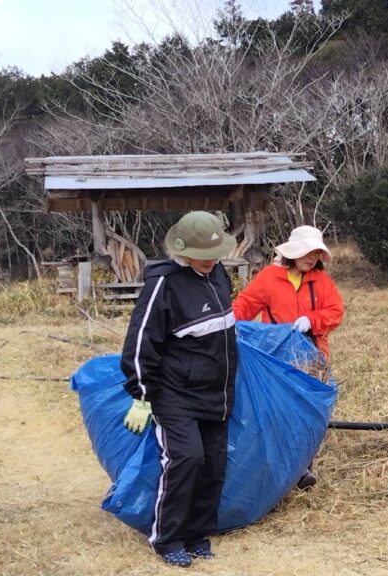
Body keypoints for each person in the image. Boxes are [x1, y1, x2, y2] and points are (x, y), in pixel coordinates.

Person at [120, 211, 238, 568]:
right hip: (175, 394)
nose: (210, 261)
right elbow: (140, 341)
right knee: (186, 458)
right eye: (202, 256)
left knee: (213, 464)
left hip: (217, 392)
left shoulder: (219, 274)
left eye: (214, 254)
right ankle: (168, 538)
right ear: (183, 251)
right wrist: (141, 395)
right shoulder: (164, 283)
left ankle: (198, 534)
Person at [231, 225, 344, 489]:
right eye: (307, 252)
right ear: (293, 252)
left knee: (307, 412)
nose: (312, 258)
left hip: (311, 359)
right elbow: (245, 305)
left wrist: (312, 320)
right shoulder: (270, 277)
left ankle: (303, 467)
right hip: (275, 359)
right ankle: (277, 468)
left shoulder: (321, 281)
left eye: (316, 253)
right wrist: (224, 324)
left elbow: (335, 312)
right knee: (276, 411)